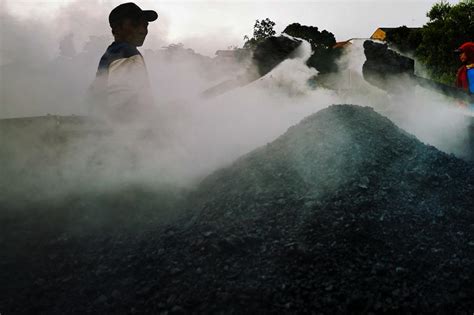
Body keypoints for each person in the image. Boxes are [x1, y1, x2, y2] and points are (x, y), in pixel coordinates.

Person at [90, 2, 158, 123]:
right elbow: (121, 105)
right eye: (135, 24)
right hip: (129, 134)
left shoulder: (115, 51)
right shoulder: (125, 52)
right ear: (117, 28)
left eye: (145, 25)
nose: (143, 30)